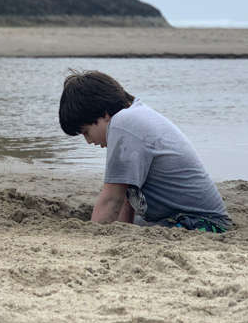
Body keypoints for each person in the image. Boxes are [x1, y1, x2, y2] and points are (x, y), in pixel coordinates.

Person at [58, 70, 231, 232]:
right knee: (138, 225)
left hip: (203, 225)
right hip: (195, 220)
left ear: (104, 114)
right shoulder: (134, 113)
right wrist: (120, 230)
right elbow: (127, 197)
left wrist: (92, 239)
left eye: (86, 132)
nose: (89, 141)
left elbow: (111, 199)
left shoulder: (122, 124)